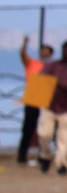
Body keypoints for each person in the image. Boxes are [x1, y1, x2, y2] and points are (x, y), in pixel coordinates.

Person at [19, 36, 54, 164]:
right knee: (27, 128)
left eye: (46, 50)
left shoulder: (53, 67)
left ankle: (44, 155)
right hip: (32, 100)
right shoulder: (32, 63)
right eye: (42, 50)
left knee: (46, 130)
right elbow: (22, 55)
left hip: (47, 101)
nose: (43, 52)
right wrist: (25, 43)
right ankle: (22, 155)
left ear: (51, 53)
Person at [37, 41, 67, 175]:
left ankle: (61, 164)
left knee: (64, 139)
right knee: (44, 134)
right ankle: (45, 156)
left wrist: (59, 84)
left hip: (65, 109)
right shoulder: (53, 66)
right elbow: (40, 80)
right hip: (49, 106)